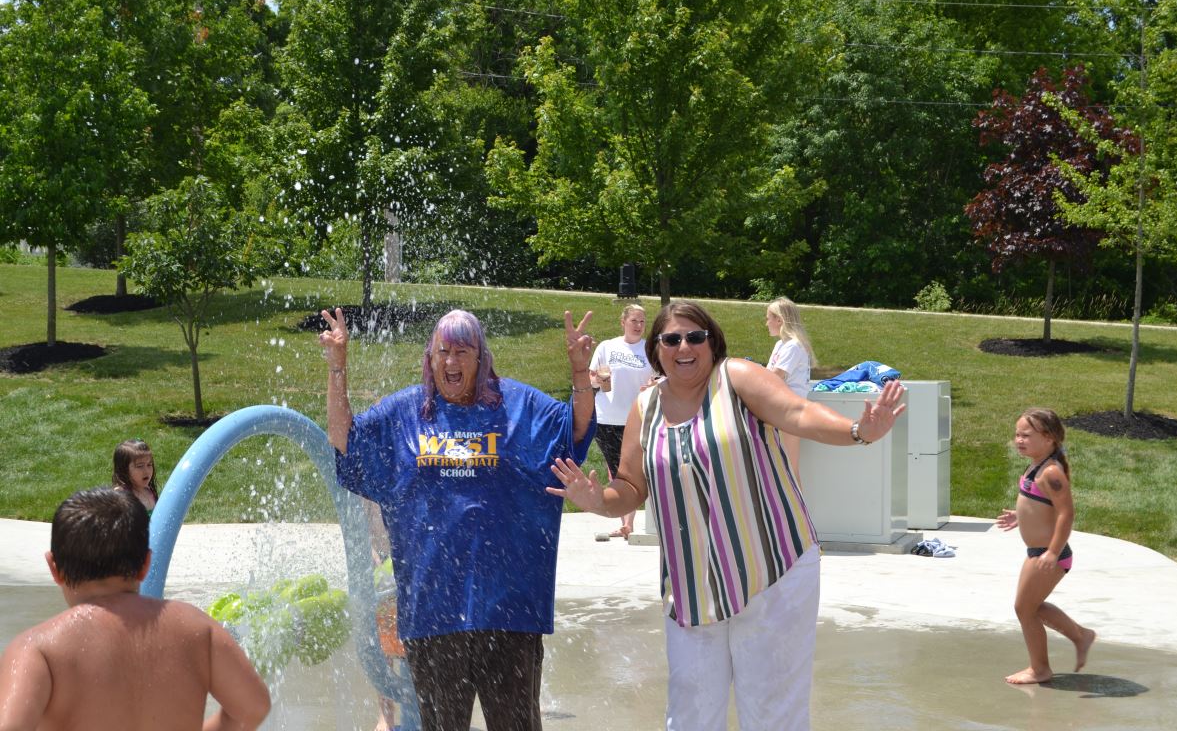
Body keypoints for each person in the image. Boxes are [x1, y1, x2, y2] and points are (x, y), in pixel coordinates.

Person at [548, 300, 905, 731]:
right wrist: (597, 499)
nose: (684, 346)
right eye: (672, 338)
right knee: (690, 714)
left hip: (773, 568)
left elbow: (798, 412)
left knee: (773, 714)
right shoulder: (645, 407)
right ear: (656, 349)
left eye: (695, 337)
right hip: (692, 584)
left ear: (711, 342)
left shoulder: (734, 378)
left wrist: (857, 431)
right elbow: (629, 489)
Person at [319, 306, 596, 731]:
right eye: (443, 351)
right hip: (433, 614)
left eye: (462, 352)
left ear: (481, 357)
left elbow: (573, 431)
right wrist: (338, 369)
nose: (451, 362)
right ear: (430, 358)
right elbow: (346, 442)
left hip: (508, 612)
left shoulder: (517, 406)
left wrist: (580, 374)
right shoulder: (404, 415)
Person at [0, 488, 270, 731]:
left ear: (54, 568)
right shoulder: (198, 628)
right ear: (146, 563)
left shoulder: (39, 649)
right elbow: (252, 707)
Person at [996, 408, 1096, 684]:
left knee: (1024, 609)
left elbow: (1067, 513)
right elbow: (1044, 506)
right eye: (1017, 434)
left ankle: (1040, 669)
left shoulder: (1051, 472)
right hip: (1039, 552)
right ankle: (1080, 635)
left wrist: (1052, 551)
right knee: (1032, 606)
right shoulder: (1037, 465)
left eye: (1027, 435)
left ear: (1049, 438)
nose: (1019, 440)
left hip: (1049, 554)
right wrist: (1021, 516)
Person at [589, 303, 652, 538]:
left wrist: (654, 384)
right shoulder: (608, 347)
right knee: (616, 469)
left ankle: (635, 522)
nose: (638, 325)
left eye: (642, 321)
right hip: (607, 417)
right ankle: (626, 522)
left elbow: (662, 376)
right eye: (634, 320)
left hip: (638, 416)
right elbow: (592, 377)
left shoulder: (650, 349)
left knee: (637, 469)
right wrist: (599, 379)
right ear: (623, 322)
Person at [765, 297, 817, 476]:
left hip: (790, 411)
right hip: (782, 410)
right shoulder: (782, 344)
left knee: (789, 470)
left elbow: (775, 377)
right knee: (782, 469)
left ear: (779, 320)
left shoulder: (793, 346)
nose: (766, 323)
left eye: (768, 318)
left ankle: (796, 504)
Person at [112, 438, 159, 514]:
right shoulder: (121, 494)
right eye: (140, 466)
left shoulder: (149, 491)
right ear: (124, 469)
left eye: (149, 465)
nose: (146, 471)